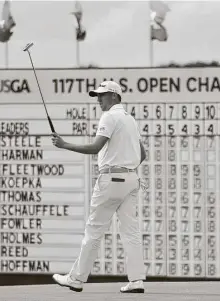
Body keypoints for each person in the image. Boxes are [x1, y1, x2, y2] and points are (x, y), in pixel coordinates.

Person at [51, 81, 147, 293]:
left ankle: (76, 279)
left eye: (102, 95)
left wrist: (64, 144)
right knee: (130, 231)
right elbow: (143, 154)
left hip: (111, 181)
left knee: (93, 230)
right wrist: (127, 169)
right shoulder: (130, 119)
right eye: (97, 95)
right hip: (132, 180)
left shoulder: (110, 116)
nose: (98, 99)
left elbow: (95, 147)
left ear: (114, 96)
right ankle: (137, 280)